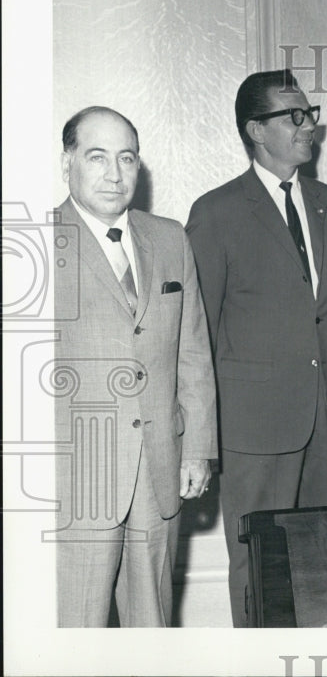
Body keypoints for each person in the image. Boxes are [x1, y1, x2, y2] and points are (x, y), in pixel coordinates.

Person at [185, 70, 327, 626]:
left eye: (311, 113)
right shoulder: (216, 213)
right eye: (295, 116)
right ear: (256, 130)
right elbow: (196, 335)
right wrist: (200, 438)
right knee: (260, 566)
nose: (310, 126)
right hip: (253, 430)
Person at [53, 106, 216, 626]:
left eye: (126, 158)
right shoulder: (34, 243)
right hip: (73, 479)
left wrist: (197, 450)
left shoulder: (170, 238)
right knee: (76, 628)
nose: (114, 174)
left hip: (159, 468)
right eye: (97, 157)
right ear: (67, 163)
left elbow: (193, 352)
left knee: (153, 629)